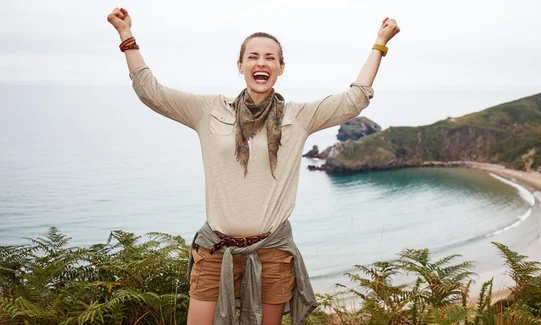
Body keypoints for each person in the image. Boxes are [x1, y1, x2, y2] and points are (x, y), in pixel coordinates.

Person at [107, 7, 400, 325]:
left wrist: (380, 43)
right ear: (241, 65)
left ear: (281, 67)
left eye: (271, 57)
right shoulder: (208, 110)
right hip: (216, 249)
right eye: (254, 56)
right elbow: (151, 92)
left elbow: (355, 98)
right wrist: (126, 35)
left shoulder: (299, 117)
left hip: (272, 251)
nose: (262, 62)